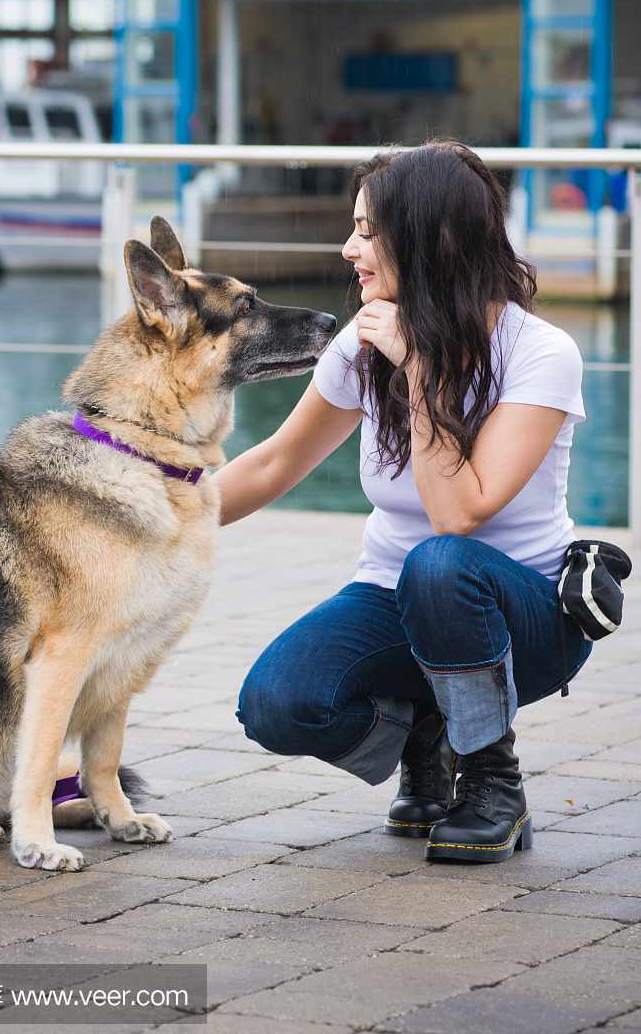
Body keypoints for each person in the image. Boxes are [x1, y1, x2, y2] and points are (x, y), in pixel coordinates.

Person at [213, 142, 589, 863]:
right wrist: (144, 516)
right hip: (393, 601)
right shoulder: (360, 345)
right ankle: (427, 735)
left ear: (428, 237)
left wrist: (417, 367)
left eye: (366, 230)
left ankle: (492, 785)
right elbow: (272, 463)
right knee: (276, 704)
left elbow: (460, 513)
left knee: (441, 564)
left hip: (525, 620)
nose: (348, 247)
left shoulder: (540, 352)